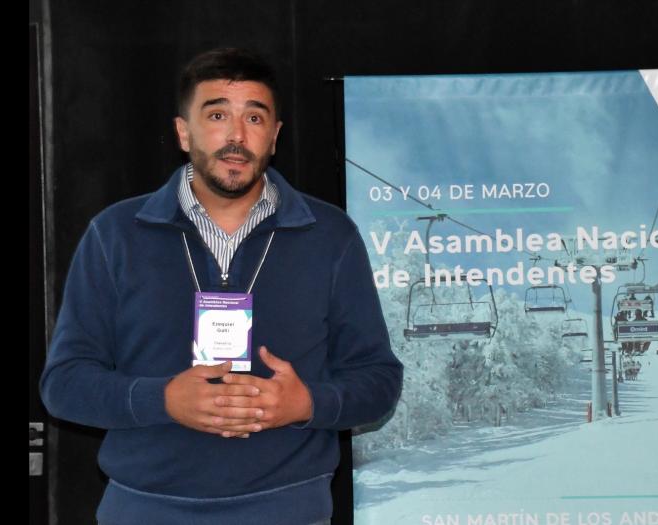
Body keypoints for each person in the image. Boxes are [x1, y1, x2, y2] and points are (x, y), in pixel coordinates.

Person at [40, 47, 403, 525]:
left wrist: (305, 404)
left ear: (274, 137)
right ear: (183, 131)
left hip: (290, 510)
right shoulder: (115, 234)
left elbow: (379, 380)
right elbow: (63, 385)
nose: (236, 136)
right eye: (217, 114)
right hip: (144, 509)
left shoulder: (331, 236)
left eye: (254, 117)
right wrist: (164, 399)